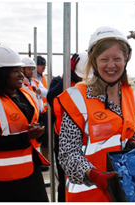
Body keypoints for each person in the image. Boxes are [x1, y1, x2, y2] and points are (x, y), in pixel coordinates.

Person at [54, 26, 135, 202]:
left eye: (117, 58)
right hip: (88, 195)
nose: (111, 65)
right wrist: (94, 175)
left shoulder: (133, 97)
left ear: (125, 59)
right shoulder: (77, 99)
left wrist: (134, 143)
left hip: (127, 192)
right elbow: (67, 153)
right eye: (104, 59)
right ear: (94, 61)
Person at [0, 45, 49, 202]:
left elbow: (40, 117)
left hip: (31, 171)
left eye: (20, 70)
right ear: (0, 75)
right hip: (5, 180)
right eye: (15, 71)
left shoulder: (27, 94)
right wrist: (27, 136)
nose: (21, 75)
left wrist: (38, 130)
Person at [46, 51, 88, 202]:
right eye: (78, 76)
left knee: (85, 180)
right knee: (65, 180)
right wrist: (69, 74)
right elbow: (51, 98)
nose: (81, 79)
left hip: (87, 139)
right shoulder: (60, 81)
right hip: (63, 139)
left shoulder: (91, 83)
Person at [35, 55, 50, 169]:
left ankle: (45, 160)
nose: (43, 67)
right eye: (41, 65)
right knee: (37, 137)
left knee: (45, 137)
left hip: (44, 111)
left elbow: (45, 92)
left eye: (44, 65)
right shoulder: (29, 79)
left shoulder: (43, 78)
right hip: (36, 112)